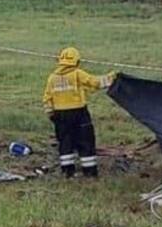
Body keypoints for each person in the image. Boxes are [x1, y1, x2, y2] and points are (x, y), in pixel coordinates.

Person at [42, 47, 115, 178]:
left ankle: (67, 172)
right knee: (85, 141)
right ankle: (89, 171)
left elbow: (47, 97)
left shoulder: (52, 78)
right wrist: (111, 78)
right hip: (78, 113)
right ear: (76, 61)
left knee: (65, 142)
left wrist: (51, 114)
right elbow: (95, 83)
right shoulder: (77, 74)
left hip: (60, 115)